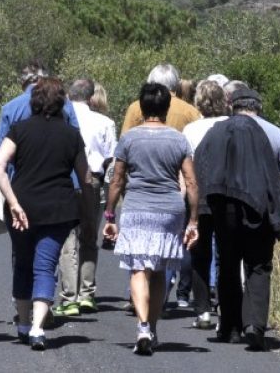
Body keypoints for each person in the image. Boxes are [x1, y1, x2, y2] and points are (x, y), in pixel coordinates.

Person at [194, 87, 280, 351]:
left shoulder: (215, 132)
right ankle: (254, 325)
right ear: (258, 107)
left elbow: (200, 169)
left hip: (223, 207)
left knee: (228, 264)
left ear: (231, 106)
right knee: (259, 264)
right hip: (260, 208)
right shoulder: (274, 133)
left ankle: (230, 328)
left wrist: (200, 214)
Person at [0, 78, 95, 351]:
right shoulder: (71, 135)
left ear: (34, 101)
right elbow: (85, 177)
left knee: (23, 262)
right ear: (62, 101)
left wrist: (12, 201)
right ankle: (38, 327)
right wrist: (88, 210)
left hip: (22, 206)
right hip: (58, 209)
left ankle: (23, 324)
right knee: (45, 265)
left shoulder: (19, 129)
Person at [103, 83, 200, 356]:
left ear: (141, 108)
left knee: (138, 268)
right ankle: (153, 329)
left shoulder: (130, 139)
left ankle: (143, 326)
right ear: (167, 108)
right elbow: (191, 183)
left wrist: (110, 214)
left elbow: (117, 180)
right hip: (169, 210)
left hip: (137, 207)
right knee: (158, 270)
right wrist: (193, 221)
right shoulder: (179, 140)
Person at [54, 78, 116, 317]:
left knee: (68, 239)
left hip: (68, 181)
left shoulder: (63, 119)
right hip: (95, 181)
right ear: (91, 98)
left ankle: (68, 296)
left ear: (69, 96)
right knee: (89, 237)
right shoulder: (105, 122)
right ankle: (87, 294)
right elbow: (112, 160)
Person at [181, 80, 230, 329]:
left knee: (200, 252)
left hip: (199, 196)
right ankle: (224, 305)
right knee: (225, 254)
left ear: (199, 101)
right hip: (226, 194)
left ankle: (202, 311)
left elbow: (186, 168)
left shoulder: (191, 129)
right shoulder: (229, 125)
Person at [121, 64, 200, 135]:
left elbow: (124, 140)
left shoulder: (135, 108)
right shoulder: (190, 111)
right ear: (176, 84)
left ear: (151, 83)